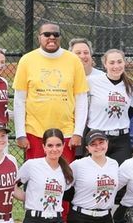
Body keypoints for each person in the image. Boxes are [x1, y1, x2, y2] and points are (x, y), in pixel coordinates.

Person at [13, 23, 89, 162]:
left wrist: (78, 132)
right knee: (36, 177)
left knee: (64, 177)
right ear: (39, 37)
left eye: (56, 35)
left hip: (65, 132)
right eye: (47, 34)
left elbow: (81, 99)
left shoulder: (73, 60)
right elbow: (19, 100)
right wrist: (20, 133)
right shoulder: (27, 60)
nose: (52, 37)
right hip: (35, 132)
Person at [16, 128, 84, 223]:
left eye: (58, 145)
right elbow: (13, 186)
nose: (54, 149)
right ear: (43, 147)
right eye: (50, 145)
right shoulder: (32, 165)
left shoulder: (67, 171)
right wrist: (29, 199)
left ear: (63, 146)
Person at [68, 130, 119, 223]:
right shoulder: (78, 165)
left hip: (104, 218)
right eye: (93, 144)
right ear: (87, 148)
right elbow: (64, 187)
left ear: (107, 143)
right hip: (81, 217)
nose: (98, 147)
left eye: (101, 142)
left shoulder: (114, 164)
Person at [85, 49, 133, 165]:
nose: (116, 66)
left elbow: (132, 111)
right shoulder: (92, 82)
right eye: (112, 63)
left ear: (124, 63)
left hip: (121, 139)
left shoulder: (131, 86)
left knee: (120, 176)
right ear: (105, 64)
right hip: (97, 136)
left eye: (119, 62)